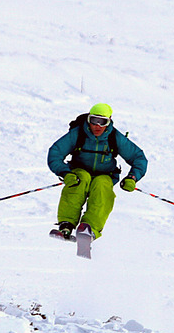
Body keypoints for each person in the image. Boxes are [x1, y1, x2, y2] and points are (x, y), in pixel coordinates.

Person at [47, 103, 148, 241]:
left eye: (103, 122)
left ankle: (89, 228)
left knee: (102, 187)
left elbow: (138, 158)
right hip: (78, 171)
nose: (97, 126)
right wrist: (65, 173)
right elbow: (55, 153)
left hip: (105, 175)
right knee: (80, 180)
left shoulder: (114, 137)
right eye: (94, 120)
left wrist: (132, 177)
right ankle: (66, 224)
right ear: (88, 119)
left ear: (109, 121)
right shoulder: (78, 134)